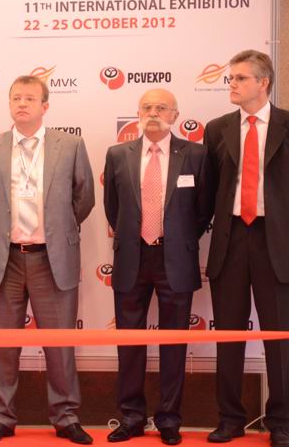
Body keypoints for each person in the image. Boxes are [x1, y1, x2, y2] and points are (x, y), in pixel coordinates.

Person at [0, 75, 94, 444]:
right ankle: (2, 417)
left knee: (59, 345)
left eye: (29, 98)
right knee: (3, 345)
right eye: (16, 98)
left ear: (45, 106)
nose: (21, 104)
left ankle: (66, 417)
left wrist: (55, 231)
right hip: (6, 259)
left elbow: (83, 198)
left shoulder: (70, 145)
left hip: (51, 259)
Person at [103, 88, 212, 445]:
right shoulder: (117, 154)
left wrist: (178, 238)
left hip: (175, 259)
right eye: (147, 107)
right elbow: (113, 208)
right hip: (132, 258)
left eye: (161, 107)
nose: (153, 113)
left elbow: (203, 210)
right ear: (138, 113)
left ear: (175, 115)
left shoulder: (195, 155)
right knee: (129, 342)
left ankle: (168, 419)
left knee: (174, 343)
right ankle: (131, 417)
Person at [204, 50, 289, 447]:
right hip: (231, 240)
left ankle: (282, 422)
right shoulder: (217, 129)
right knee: (228, 336)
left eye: (240, 78)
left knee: (280, 338)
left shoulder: (287, 125)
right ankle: (230, 419)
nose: (232, 84)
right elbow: (208, 191)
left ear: (263, 83)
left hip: (277, 242)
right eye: (231, 78)